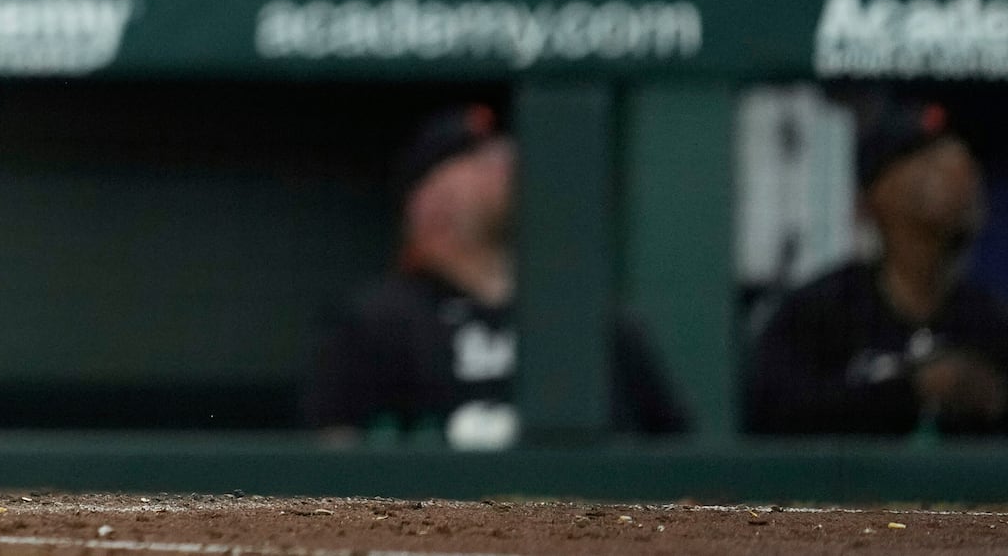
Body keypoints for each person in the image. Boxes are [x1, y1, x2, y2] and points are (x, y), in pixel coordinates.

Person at [304, 105, 688, 444]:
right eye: (480, 158)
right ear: (429, 200)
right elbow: (332, 470)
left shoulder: (593, 318)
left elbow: (678, 465)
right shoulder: (376, 325)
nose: (509, 161)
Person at [746, 100, 1008, 435]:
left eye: (961, 161)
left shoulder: (988, 320)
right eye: (926, 161)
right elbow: (772, 417)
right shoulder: (819, 313)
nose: (956, 173)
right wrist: (910, 389)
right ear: (871, 200)